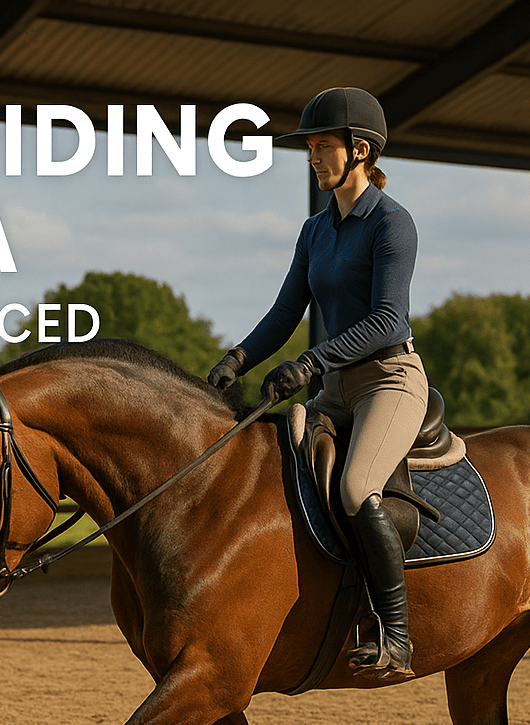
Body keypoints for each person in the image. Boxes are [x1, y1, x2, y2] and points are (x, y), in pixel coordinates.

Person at [207, 86, 427, 682]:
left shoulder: (392, 223)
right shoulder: (315, 230)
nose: (312, 157)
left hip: (389, 379)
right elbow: (286, 313)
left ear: (360, 150)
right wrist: (237, 360)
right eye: (309, 147)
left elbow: (388, 321)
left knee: (356, 487)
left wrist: (310, 363)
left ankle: (396, 636)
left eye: (322, 146)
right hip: (334, 387)